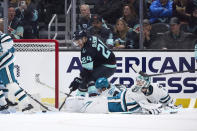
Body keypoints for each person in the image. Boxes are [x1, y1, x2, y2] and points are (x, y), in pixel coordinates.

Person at [0, 19, 34, 113]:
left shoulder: (4, 37)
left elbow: (8, 45)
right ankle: (3, 104)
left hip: (4, 64)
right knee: (9, 84)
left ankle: (26, 104)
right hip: (2, 63)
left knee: (11, 84)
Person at [71, 30, 116, 97]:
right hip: (106, 63)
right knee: (87, 79)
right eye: (76, 42)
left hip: (107, 66)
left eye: (79, 41)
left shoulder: (86, 50)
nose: (78, 44)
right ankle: (83, 96)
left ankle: (86, 97)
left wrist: (78, 80)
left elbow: (87, 71)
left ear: (84, 38)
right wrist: (79, 79)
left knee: (89, 79)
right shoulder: (92, 37)